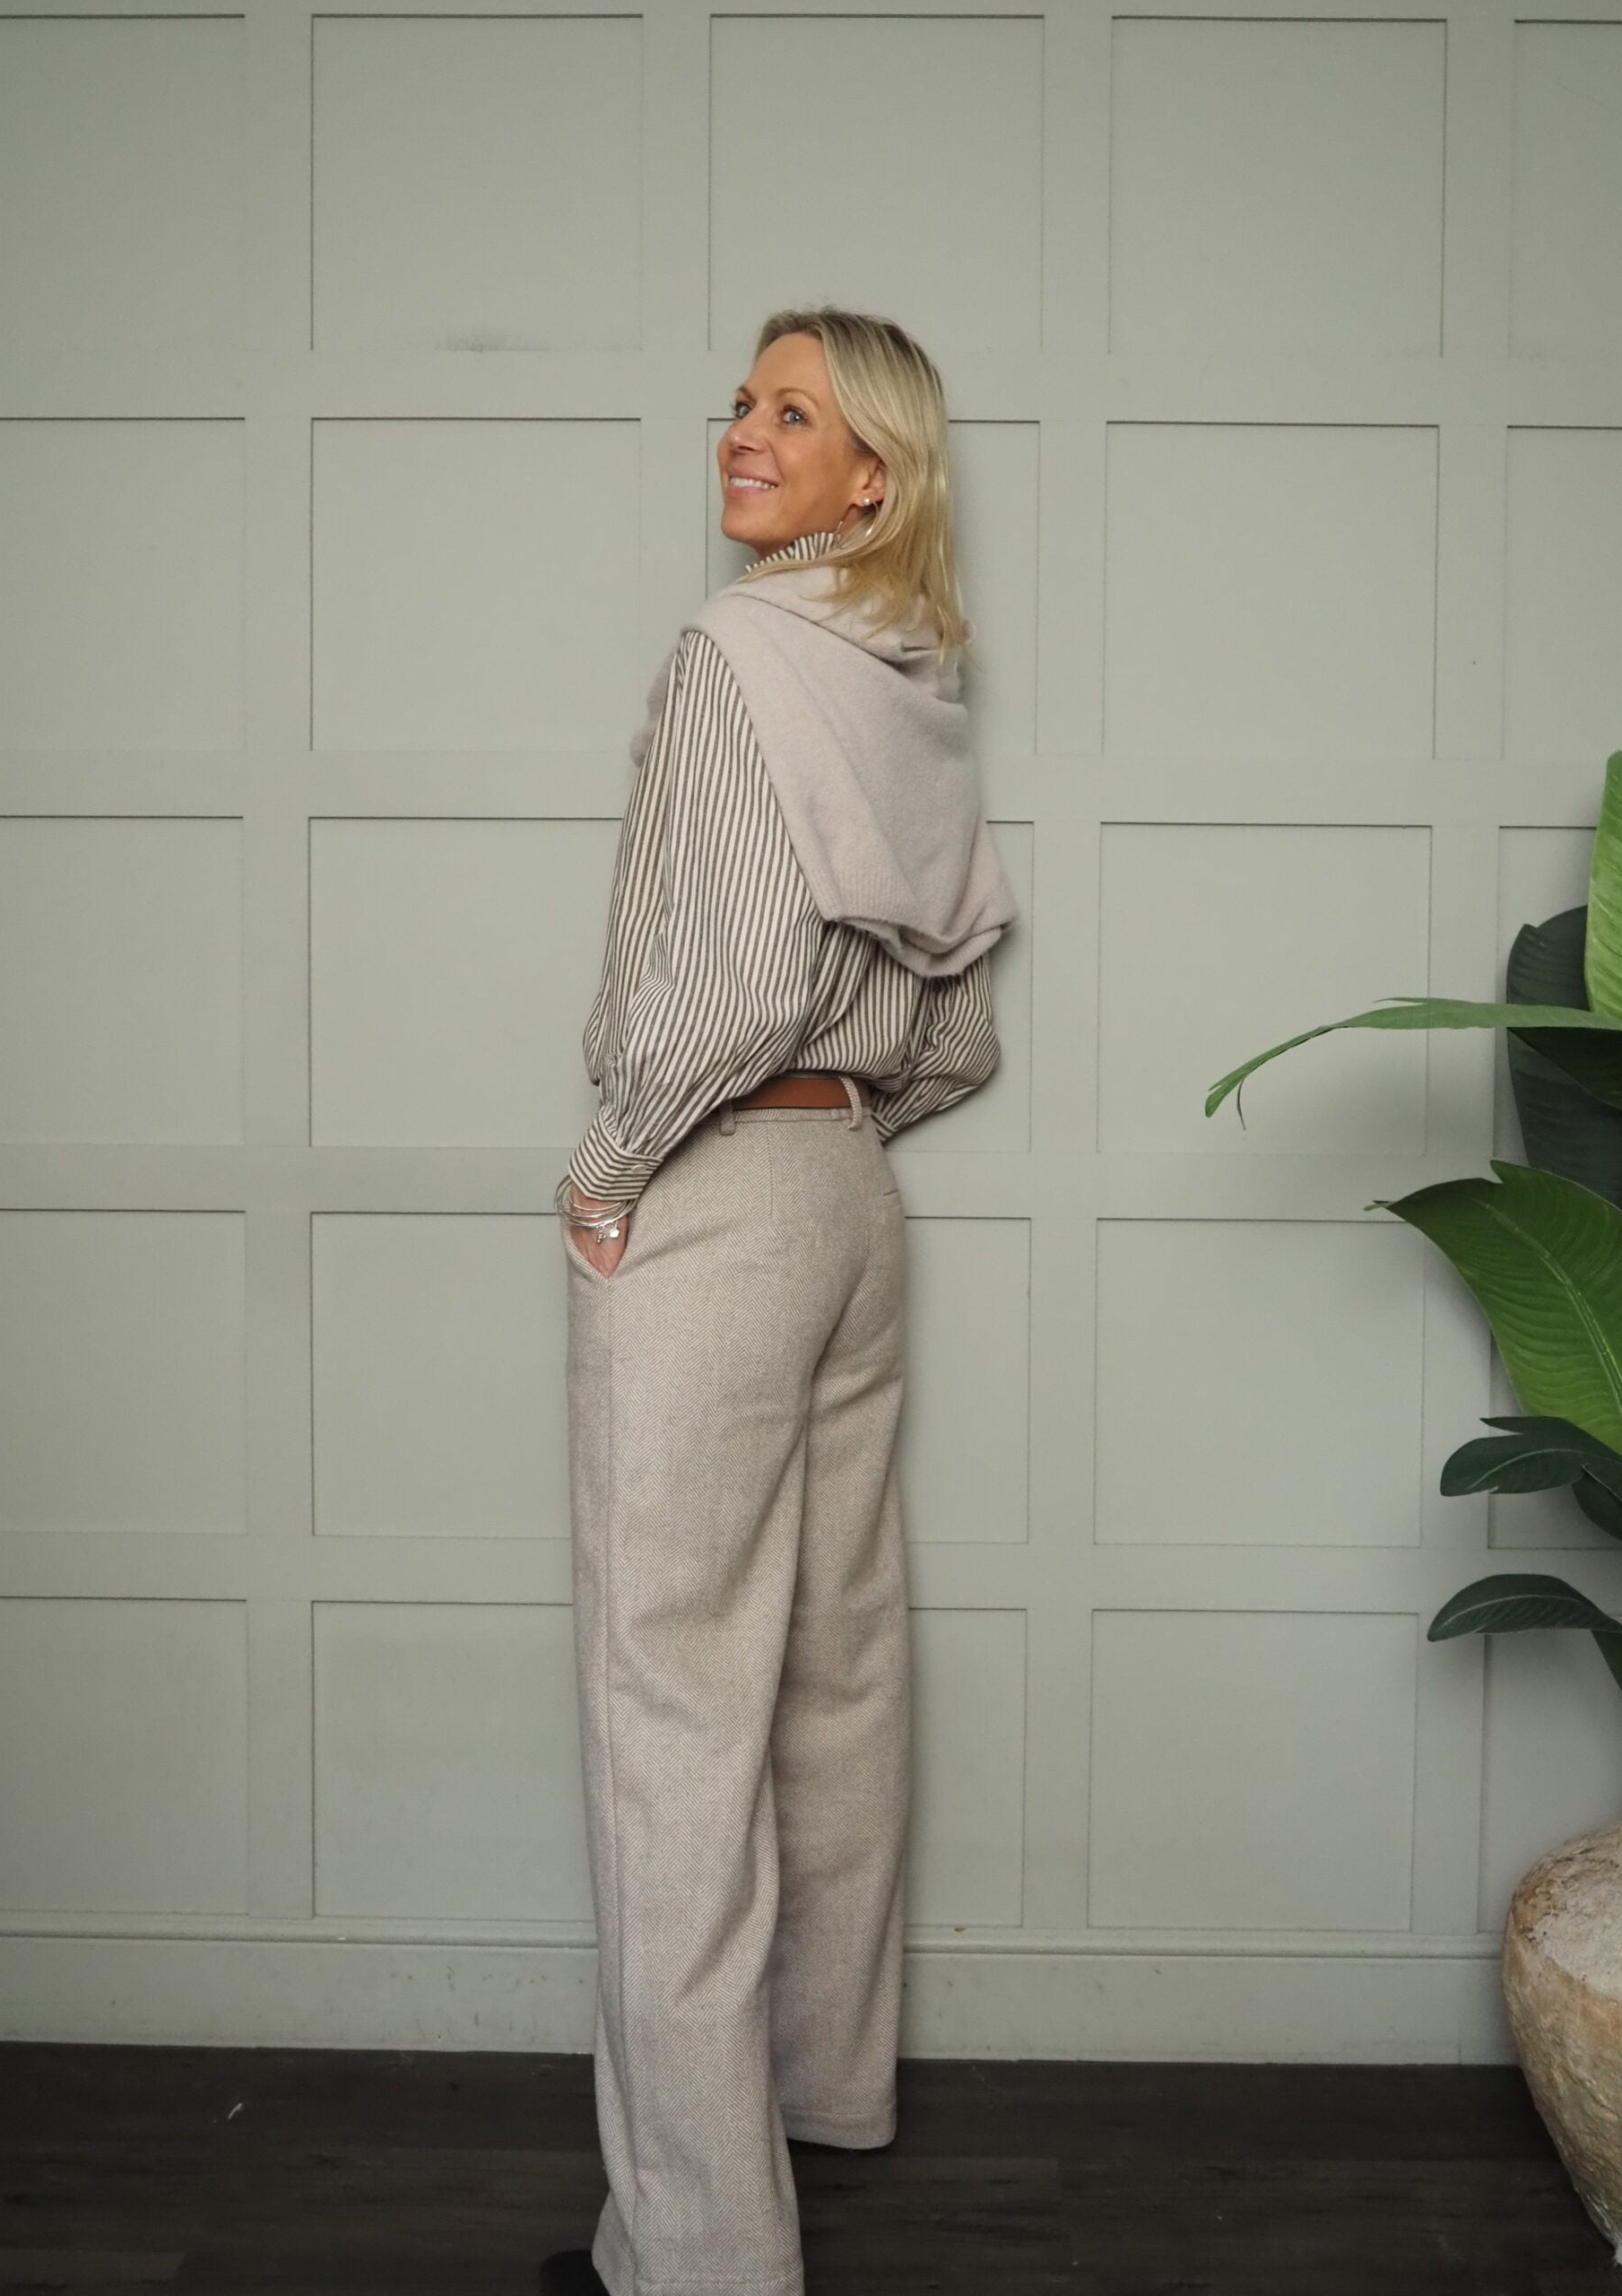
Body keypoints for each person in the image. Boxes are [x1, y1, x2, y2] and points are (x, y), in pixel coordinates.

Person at [540, 308, 1018, 2296]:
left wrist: (611, 1164)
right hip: (847, 1199)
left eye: (792, 411)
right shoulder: (912, 681)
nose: (741, 429)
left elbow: (726, 982)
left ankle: (697, 2247)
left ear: (870, 477)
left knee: (674, 1712)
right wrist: (841, 1134)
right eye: (743, 400)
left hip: (722, 1180)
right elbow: (960, 1025)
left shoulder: (734, 654)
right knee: (837, 1670)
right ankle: (820, 2089)